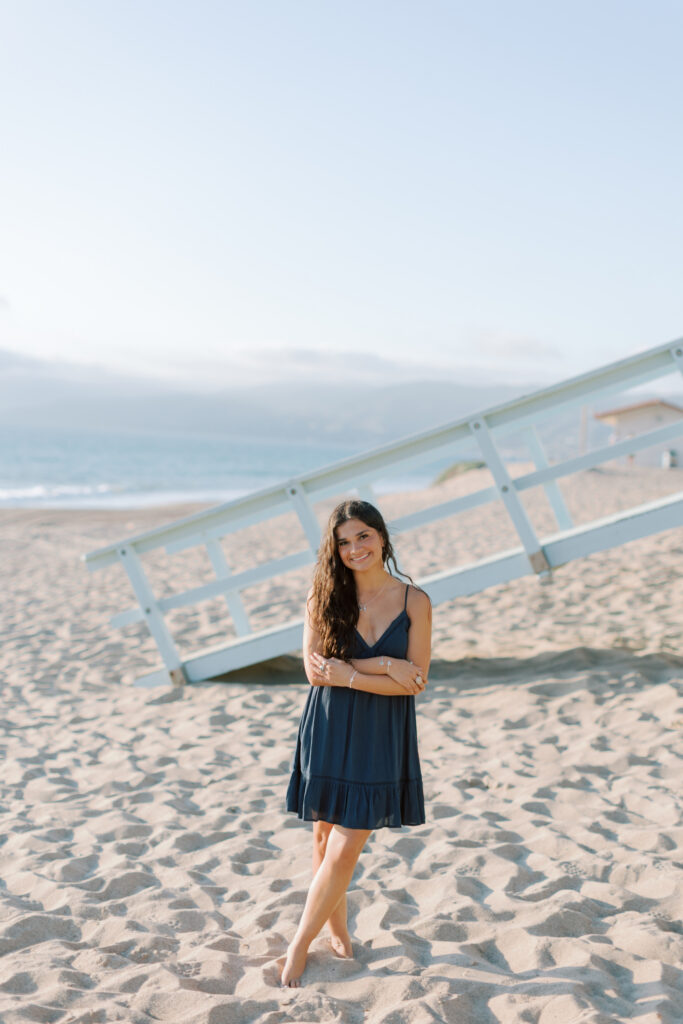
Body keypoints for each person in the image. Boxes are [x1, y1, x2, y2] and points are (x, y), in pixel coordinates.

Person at [281, 499, 431, 987]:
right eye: (343, 542)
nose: (354, 549)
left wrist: (350, 673)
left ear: (381, 536)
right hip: (328, 723)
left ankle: (299, 945)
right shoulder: (322, 596)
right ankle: (339, 932)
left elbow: (415, 681)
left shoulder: (415, 601)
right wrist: (382, 666)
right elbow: (314, 669)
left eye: (362, 536)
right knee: (324, 839)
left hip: (380, 734)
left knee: (345, 847)